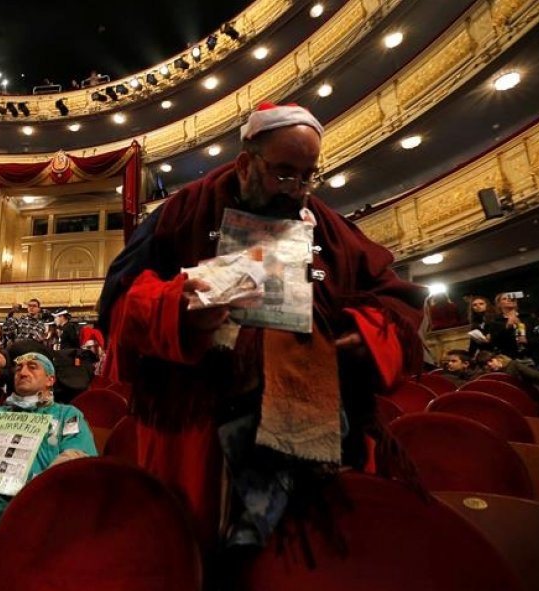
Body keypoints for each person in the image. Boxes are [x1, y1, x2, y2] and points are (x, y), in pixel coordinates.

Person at [98, 102, 427, 563]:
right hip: (199, 437)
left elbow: (396, 300)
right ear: (246, 163)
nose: (295, 189)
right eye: (283, 173)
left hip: (318, 427)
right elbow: (118, 299)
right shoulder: (181, 213)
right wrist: (180, 309)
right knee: (203, 562)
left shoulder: (330, 227)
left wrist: (361, 333)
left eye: (307, 176)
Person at [0, 351, 96, 588]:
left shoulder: (67, 415)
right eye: (19, 368)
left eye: (33, 367)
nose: (22, 372)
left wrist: (34, 493)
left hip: (30, 511)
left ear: (50, 380)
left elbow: (77, 458)